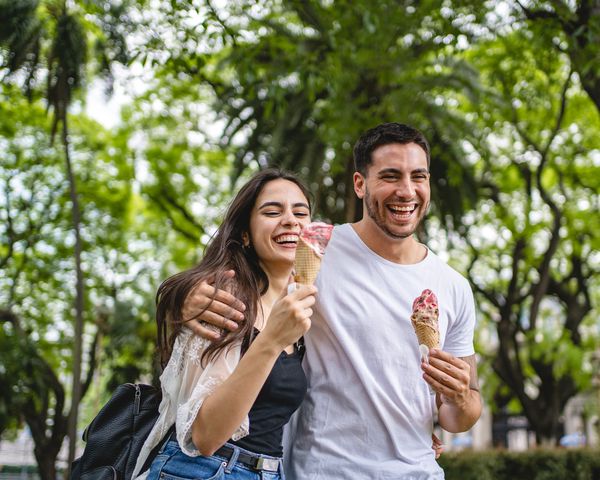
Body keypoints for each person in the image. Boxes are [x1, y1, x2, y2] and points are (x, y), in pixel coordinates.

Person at [185, 123, 481, 479]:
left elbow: (459, 415)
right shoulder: (314, 248)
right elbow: (243, 269)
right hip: (324, 470)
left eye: (418, 176)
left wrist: (460, 397)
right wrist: (182, 297)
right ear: (360, 184)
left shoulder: (454, 287)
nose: (406, 190)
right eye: (390, 176)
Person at [131, 169, 318, 480]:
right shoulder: (220, 299)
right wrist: (270, 341)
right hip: (205, 470)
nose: (291, 220)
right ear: (244, 234)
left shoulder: (304, 301)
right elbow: (205, 436)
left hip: (272, 472)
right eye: (272, 211)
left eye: (301, 212)